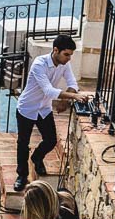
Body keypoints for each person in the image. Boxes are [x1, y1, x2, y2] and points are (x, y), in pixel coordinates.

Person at [14, 34, 90, 192]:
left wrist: (65, 100)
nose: (69, 58)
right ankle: (22, 176)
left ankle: (37, 157)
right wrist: (74, 96)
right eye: (66, 54)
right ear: (56, 50)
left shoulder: (64, 64)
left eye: (70, 55)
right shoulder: (39, 64)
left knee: (51, 140)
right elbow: (48, 90)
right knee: (23, 143)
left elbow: (72, 83)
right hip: (27, 108)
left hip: (44, 108)